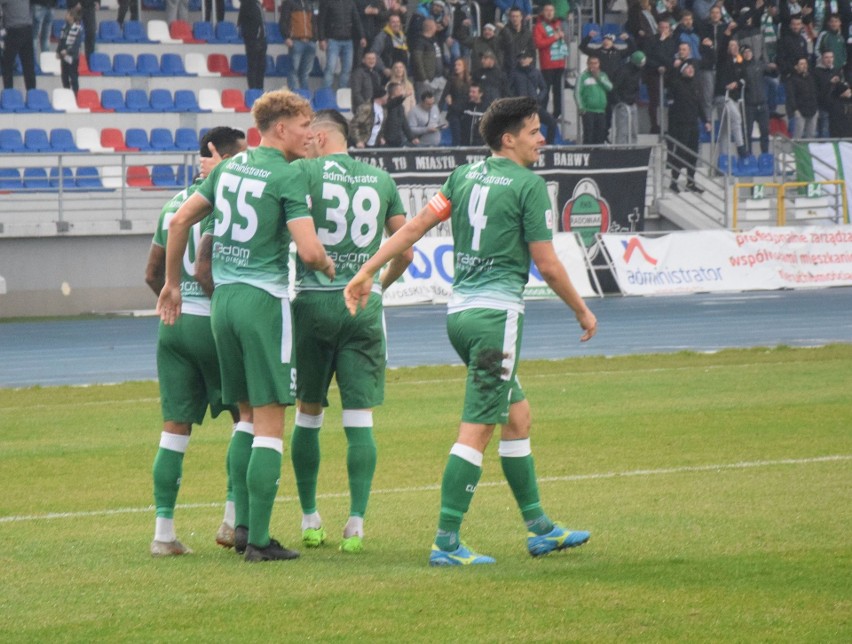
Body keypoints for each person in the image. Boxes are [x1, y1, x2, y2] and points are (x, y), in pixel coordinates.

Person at [344, 96, 597, 566]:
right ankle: (446, 541)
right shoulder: (528, 186)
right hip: (495, 319)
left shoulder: (463, 177)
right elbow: (547, 263)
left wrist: (366, 270)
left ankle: (540, 528)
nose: (543, 139)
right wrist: (582, 310)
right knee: (477, 430)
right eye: (534, 131)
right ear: (509, 139)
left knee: (517, 416)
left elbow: (414, 228)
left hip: (460, 315)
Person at [156, 89, 336, 563]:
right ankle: (257, 539)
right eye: (303, 126)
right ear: (280, 128)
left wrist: (172, 285)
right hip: (263, 302)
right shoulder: (286, 176)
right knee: (271, 423)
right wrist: (332, 268)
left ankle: (239, 527)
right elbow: (311, 250)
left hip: (224, 303)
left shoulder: (230, 169)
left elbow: (178, 223)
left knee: (246, 422)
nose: (310, 134)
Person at [289, 109, 413, 553]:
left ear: (321, 138)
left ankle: (309, 518)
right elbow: (406, 250)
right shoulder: (380, 180)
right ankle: (356, 523)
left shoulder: (304, 171)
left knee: (308, 413)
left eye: (308, 137)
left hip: (314, 301)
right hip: (362, 304)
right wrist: (378, 283)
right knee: (359, 418)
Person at [145, 126, 249, 558]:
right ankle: (231, 520)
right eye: (242, 156)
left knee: (174, 429)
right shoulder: (227, 200)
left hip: (173, 327)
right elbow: (206, 268)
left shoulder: (173, 203)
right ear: (221, 156)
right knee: (248, 418)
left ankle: (163, 533)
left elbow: (152, 274)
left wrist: (173, 301)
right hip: (211, 322)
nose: (249, 163)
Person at [667, 61, 711, 192]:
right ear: (682, 70)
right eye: (688, 68)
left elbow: (699, 105)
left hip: (693, 124)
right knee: (680, 153)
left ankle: (690, 182)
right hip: (681, 125)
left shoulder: (696, 84)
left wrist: (706, 121)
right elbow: (671, 105)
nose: (691, 70)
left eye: (692, 68)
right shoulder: (676, 84)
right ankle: (673, 181)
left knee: (693, 154)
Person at [511, 49, 557, 144]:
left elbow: (544, 87)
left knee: (552, 122)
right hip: (520, 108)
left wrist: (538, 99)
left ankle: (549, 147)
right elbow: (508, 89)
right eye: (520, 58)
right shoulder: (514, 73)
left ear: (531, 59)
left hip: (534, 106)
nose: (522, 60)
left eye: (525, 58)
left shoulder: (536, 72)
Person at [318, 0, 366, 89]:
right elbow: (321, 20)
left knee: (347, 69)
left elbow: (356, 20)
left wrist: (362, 36)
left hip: (348, 41)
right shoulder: (328, 2)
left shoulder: (351, 2)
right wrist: (321, 39)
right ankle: (325, 93)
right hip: (333, 40)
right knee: (330, 68)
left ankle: (342, 93)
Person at [532, 2, 567, 121]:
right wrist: (554, 38)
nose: (549, 13)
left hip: (560, 62)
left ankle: (558, 113)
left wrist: (562, 37)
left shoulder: (558, 24)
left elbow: (562, 43)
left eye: (551, 10)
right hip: (547, 64)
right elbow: (538, 44)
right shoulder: (538, 26)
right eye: (547, 10)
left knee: (558, 91)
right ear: (543, 12)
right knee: (545, 90)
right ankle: (542, 113)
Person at [741, 44, 774, 155]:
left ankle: (765, 154)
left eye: (749, 51)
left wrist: (774, 67)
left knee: (765, 132)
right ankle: (748, 155)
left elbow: (773, 73)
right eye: (745, 52)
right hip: (749, 105)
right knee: (747, 133)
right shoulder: (741, 68)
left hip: (762, 103)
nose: (747, 54)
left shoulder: (760, 65)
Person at [279, 0, 318, 91]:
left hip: (310, 42)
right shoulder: (288, 2)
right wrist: (286, 37)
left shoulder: (310, 4)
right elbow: (283, 21)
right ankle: (295, 96)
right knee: (294, 71)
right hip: (296, 41)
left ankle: (304, 96)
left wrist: (315, 38)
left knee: (305, 73)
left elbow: (315, 22)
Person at [575, 54, 612, 145]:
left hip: (601, 111)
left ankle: (598, 157)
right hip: (588, 110)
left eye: (595, 63)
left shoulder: (603, 75)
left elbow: (609, 87)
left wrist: (598, 77)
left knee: (600, 135)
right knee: (589, 136)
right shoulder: (582, 76)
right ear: (587, 64)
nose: (593, 65)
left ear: (599, 64)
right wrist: (581, 107)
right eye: (591, 63)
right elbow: (577, 93)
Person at [610, 50, 646, 144]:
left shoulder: (638, 70)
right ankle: (620, 151)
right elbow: (614, 88)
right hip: (622, 104)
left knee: (634, 130)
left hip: (632, 102)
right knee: (623, 130)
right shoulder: (622, 71)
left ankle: (633, 149)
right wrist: (619, 102)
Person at [1, 0, 37, 90]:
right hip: (27, 29)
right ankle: (32, 94)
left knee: (7, 65)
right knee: (28, 66)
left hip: (13, 30)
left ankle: (9, 95)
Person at [441, 56, 471, 145]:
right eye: (455, 65)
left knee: (465, 137)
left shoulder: (470, 80)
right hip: (454, 112)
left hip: (466, 112)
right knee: (456, 137)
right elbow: (443, 96)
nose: (456, 67)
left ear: (464, 66)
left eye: (459, 65)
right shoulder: (451, 79)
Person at [786, 56, 819, 139]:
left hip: (812, 110)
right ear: (796, 66)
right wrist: (795, 110)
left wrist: (816, 107)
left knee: (811, 136)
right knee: (798, 136)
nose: (804, 66)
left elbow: (815, 92)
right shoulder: (791, 80)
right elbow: (791, 96)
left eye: (805, 63)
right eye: (801, 64)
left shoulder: (811, 78)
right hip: (799, 112)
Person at [238, 0, 267, 91]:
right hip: (253, 41)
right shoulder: (247, 4)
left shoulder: (258, 5)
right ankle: (254, 91)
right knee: (253, 67)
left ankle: (260, 89)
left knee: (261, 67)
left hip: (261, 40)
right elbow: (244, 23)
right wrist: (253, 37)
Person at [497, 7, 534, 76]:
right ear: (510, 18)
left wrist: (529, 59)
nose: (515, 19)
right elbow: (501, 49)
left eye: (517, 16)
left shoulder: (527, 33)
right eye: (513, 16)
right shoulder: (504, 32)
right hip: (508, 68)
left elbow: (532, 51)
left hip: (524, 68)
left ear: (521, 17)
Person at [56, 6, 82, 95]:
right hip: (64, 57)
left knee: (73, 77)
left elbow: (76, 45)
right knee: (64, 77)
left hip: (73, 58)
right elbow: (61, 41)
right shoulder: (64, 27)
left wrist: (67, 51)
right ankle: (67, 94)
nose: (65, 15)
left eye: (67, 14)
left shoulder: (78, 29)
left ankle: (75, 95)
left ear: (72, 16)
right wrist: (58, 51)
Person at [383, 81, 419, 145]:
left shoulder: (401, 106)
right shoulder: (386, 104)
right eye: (400, 90)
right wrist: (403, 96)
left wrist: (412, 138)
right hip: (386, 140)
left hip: (398, 139)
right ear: (394, 92)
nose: (402, 92)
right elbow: (394, 102)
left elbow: (404, 123)